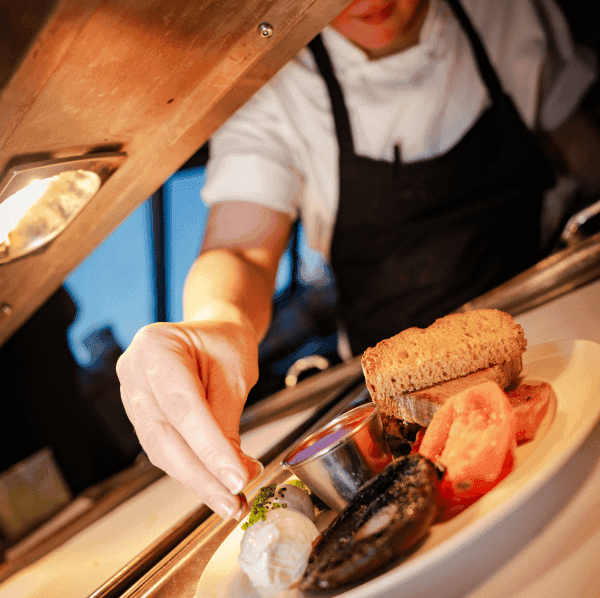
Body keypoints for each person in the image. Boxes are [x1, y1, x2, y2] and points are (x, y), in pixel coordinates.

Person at [116, 0, 600, 521]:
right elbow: (240, 249)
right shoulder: (278, 89)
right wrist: (214, 322)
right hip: (400, 411)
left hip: (556, 326)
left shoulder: (503, 11)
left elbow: (577, 135)